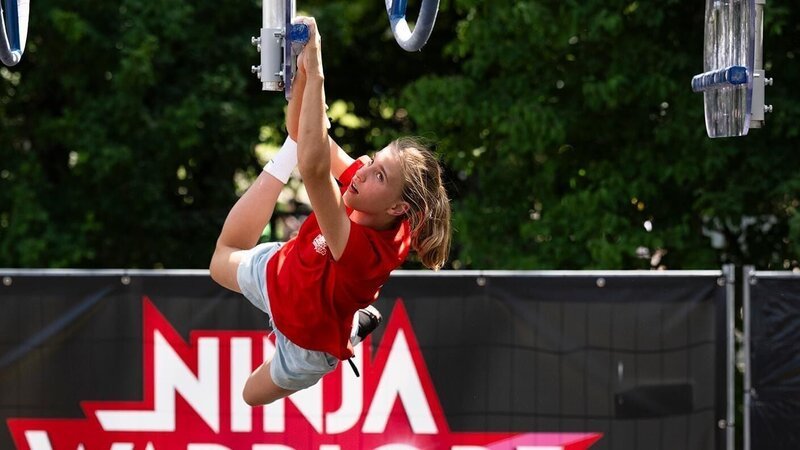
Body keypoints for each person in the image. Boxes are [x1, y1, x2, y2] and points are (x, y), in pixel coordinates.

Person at [209, 16, 451, 406]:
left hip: (309, 341)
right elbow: (307, 136)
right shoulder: (375, 194)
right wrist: (302, 76)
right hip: (284, 274)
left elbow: (315, 166)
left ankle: (352, 327)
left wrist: (316, 61)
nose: (363, 169)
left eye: (379, 174)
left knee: (250, 395)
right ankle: (351, 314)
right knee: (219, 260)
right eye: (374, 159)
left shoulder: (366, 256)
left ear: (396, 206)